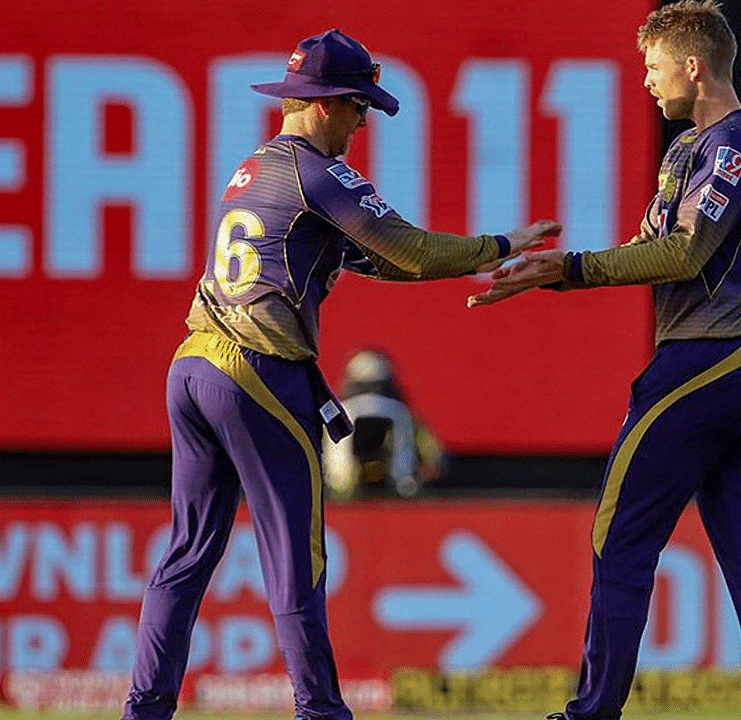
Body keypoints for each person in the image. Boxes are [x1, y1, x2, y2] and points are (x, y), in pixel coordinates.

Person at [122, 28, 559, 720]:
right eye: (360, 109)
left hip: (193, 366)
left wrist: (458, 262)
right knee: (298, 558)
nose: (363, 125)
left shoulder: (254, 166)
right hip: (257, 371)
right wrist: (500, 246)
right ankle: (322, 712)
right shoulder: (318, 172)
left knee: (186, 554)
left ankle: (142, 711)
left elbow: (366, 258)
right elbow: (408, 250)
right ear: (328, 104)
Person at [468, 3, 741, 720]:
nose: (647, 83)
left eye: (654, 68)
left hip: (706, 363)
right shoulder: (692, 149)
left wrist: (568, 267)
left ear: (693, 64)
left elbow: (682, 252)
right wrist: (556, 272)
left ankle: (592, 713)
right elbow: (654, 247)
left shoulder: (730, 146)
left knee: (618, 536)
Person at [322, 348, 446, 499]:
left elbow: (433, 456)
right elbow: (434, 456)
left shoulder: (406, 418)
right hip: (350, 493)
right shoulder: (404, 415)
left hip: (389, 492)